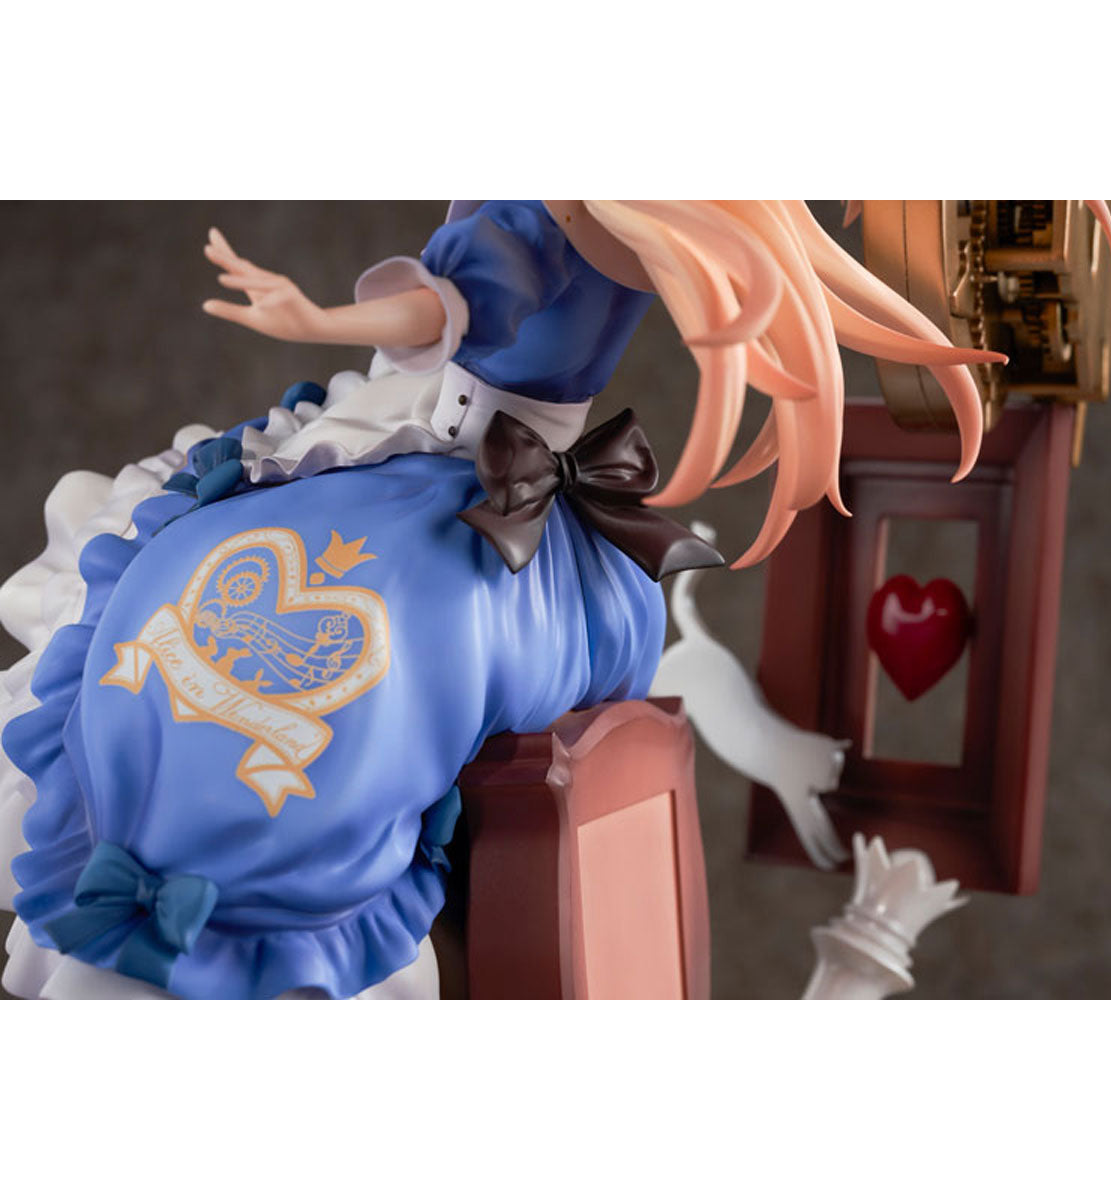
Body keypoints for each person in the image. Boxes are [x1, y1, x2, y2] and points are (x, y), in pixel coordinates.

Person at [0, 201, 998, 999]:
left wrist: (318, 319)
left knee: (280, 608)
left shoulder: (564, 207)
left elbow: (442, 314)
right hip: (456, 467)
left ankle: (206, 876)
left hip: (468, 497)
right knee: (209, 563)